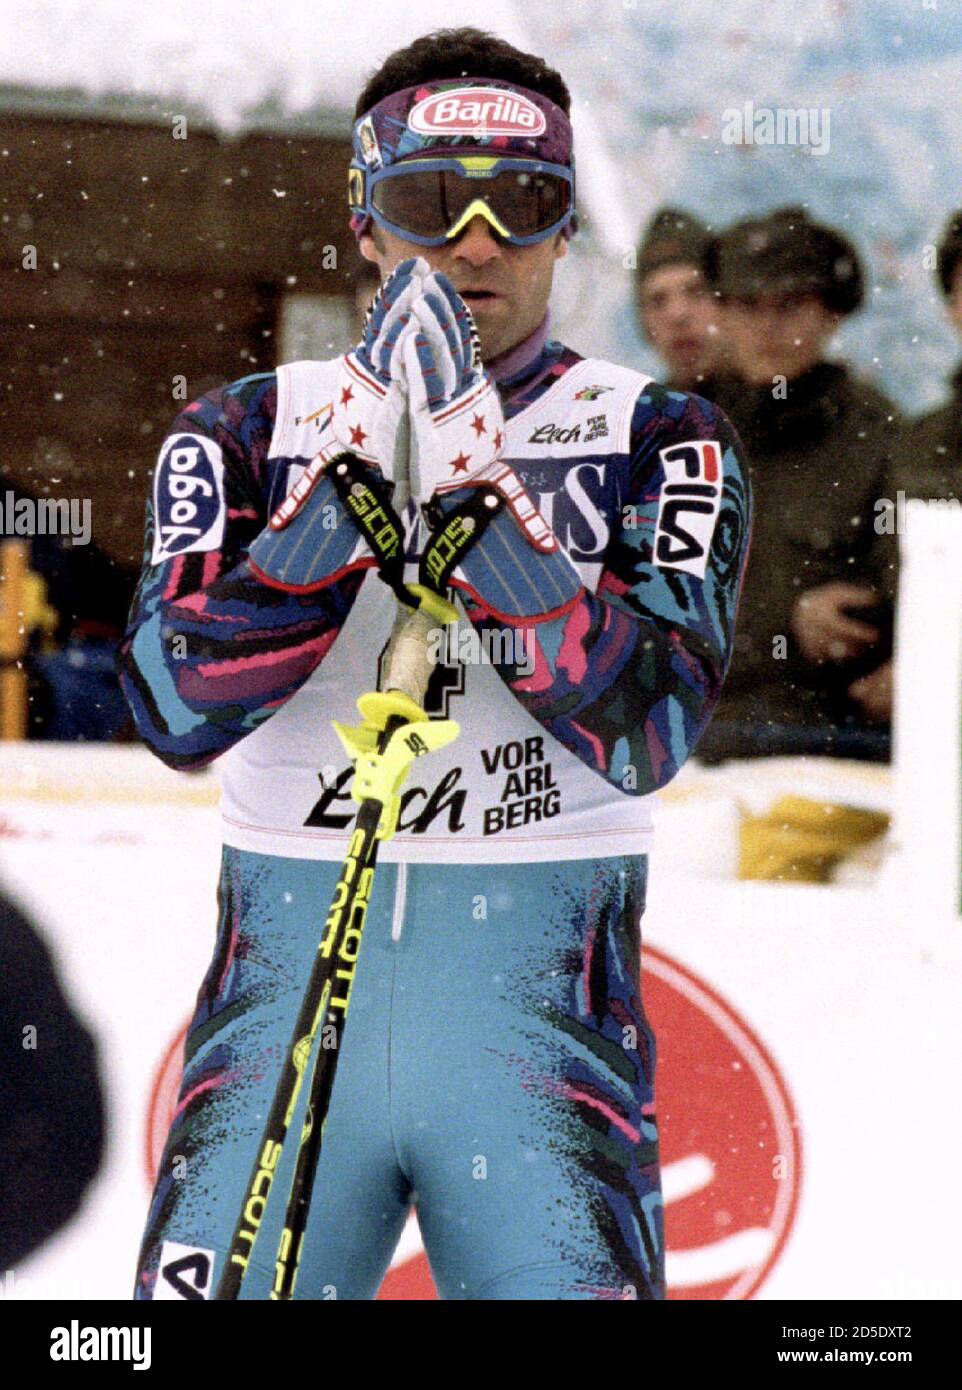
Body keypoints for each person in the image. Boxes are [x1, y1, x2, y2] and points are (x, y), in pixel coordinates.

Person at [119, 27, 751, 1302]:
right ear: (364, 221)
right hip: (282, 1022)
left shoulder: (659, 433)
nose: (474, 242)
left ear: (566, 228)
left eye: (521, 204)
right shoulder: (246, 426)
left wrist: (479, 502)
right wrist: (334, 508)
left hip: (539, 1032)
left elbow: (647, 729)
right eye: (428, 201)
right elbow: (171, 705)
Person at [696, 207, 898, 760]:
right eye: (745, 306)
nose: (766, 328)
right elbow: (631, 617)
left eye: (790, 307)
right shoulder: (675, 431)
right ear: (720, 313)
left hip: (824, 750)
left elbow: (914, 603)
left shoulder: (880, 439)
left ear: (832, 315)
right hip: (682, 748)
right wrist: (785, 625)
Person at [634, 207, 724, 392]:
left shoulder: (784, 402)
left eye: (696, 292)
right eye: (657, 301)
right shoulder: (641, 416)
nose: (677, 315)